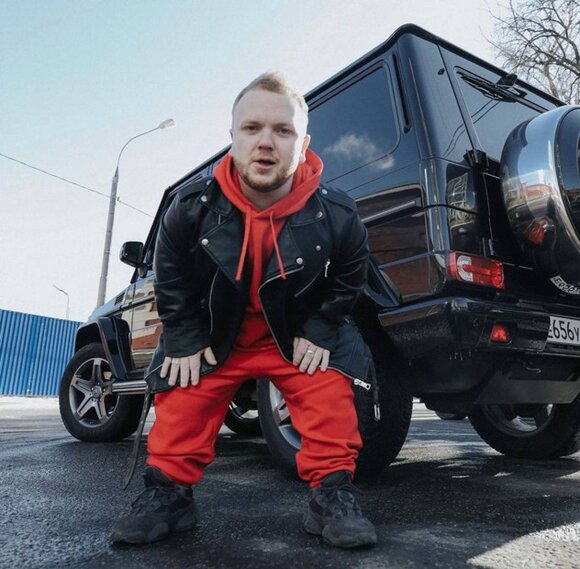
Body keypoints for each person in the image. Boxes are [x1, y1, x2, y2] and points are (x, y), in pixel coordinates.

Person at [111, 72, 376, 549]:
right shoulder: (190, 207)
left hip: (293, 335)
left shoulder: (336, 212)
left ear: (303, 143)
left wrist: (321, 326)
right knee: (182, 395)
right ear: (232, 137)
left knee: (330, 398)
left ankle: (331, 496)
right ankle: (169, 495)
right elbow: (170, 273)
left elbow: (352, 272)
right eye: (252, 128)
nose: (266, 142)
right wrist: (185, 335)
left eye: (283, 130)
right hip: (218, 337)